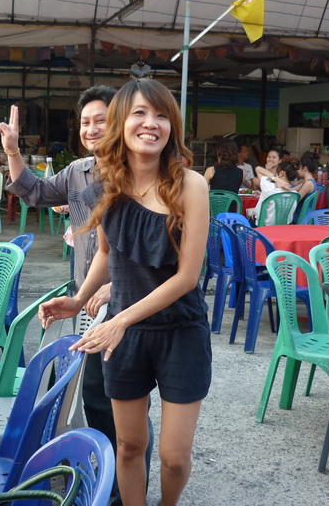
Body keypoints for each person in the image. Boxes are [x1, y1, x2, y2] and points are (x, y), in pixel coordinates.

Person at [38, 78, 211, 506]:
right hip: (126, 336)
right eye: (139, 113)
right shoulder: (106, 183)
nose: (151, 123)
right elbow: (106, 251)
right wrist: (79, 300)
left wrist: (119, 319)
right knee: (129, 446)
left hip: (180, 332)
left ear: (172, 127)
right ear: (121, 123)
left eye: (161, 115)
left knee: (173, 457)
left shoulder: (191, 185)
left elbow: (187, 278)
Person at [1, 85, 153, 504]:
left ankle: (128, 490)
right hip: (88, 299)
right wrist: (13, 151)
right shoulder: (79, 172)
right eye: (86, 122)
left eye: (101, 120)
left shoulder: (140, 173)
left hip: (129, 304)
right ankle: (107, 481)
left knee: (127, 406)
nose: (92, 129)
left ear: (120, 122)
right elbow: (33, 191)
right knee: (96, 398)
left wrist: (114, 286)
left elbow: (152, 251)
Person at [253, 161, 299, 225]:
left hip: (264, 227)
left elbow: (258, 169)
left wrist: (276, 179)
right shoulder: (294, 194)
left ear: (281, 173)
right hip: (284, 228)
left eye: (275, 174)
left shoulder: (269, 188)